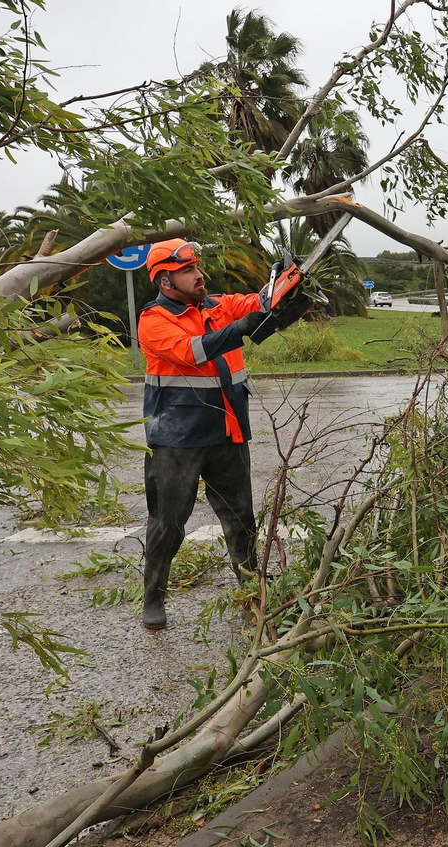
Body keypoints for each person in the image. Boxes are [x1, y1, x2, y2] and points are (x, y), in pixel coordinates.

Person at [136, 239, 308, 630]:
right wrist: (241, 330)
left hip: (228, 430)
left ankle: (251, 596)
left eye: (197, 268)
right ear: (165, 280)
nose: (199, 275)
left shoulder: (217, 305)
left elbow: (257, 303)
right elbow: (192, 351)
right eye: (189, 271)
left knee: (241, 520)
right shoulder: (153, 320)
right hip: (176, 438)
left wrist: (286, 286)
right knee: (167, 522)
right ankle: (153, 598)